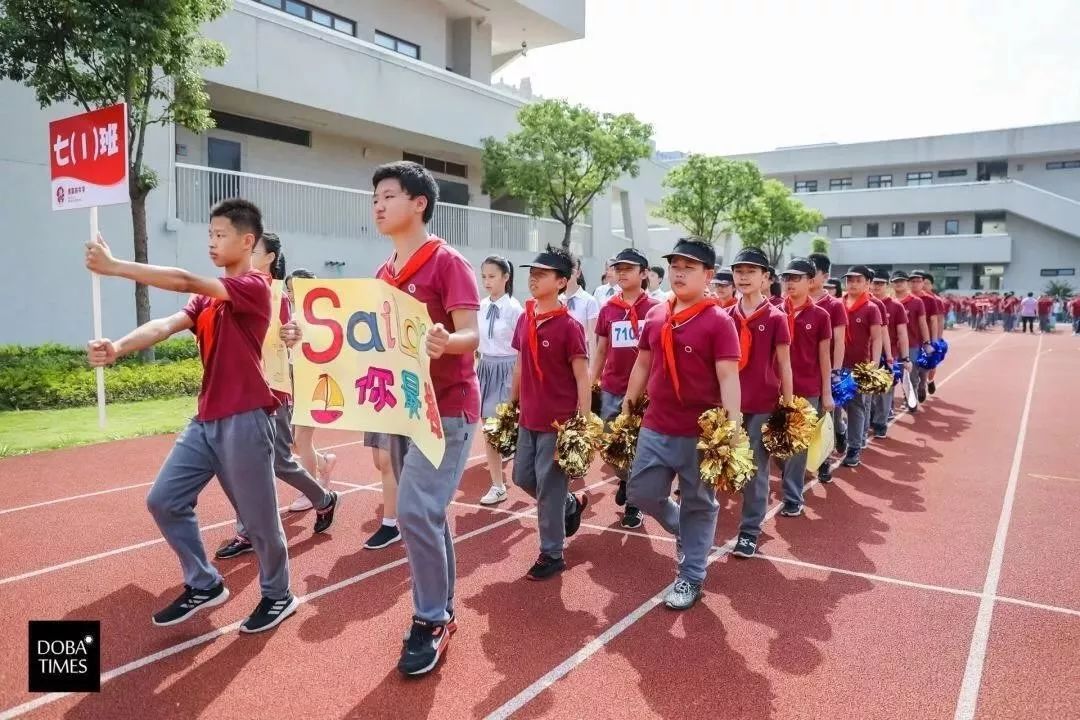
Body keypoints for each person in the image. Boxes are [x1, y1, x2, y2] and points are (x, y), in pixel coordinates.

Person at [285, 161, 481, 676]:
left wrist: (446, 340)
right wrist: (305, 339)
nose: (377, 204)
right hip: (401, 404)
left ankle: (431, 618)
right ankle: (443, 610)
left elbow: (470, 335)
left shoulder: (448, 263)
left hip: (448, 408)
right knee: (425, 514)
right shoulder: (383, 273)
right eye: (374, 197)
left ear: (419, 203)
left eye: (388, 196)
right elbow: (362, 342)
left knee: (415, 511)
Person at [85, 198, 305, 633]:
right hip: (206, 419)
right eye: (209, 234)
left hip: (246, 417)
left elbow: (184, 278)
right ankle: (203, 582)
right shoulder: (206, 301)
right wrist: (118, 348)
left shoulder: (256, 287)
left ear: (247, 241)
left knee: (259, 519)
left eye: (220, 235)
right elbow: (165, 325)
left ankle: (279, 595)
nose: (212, 242)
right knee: (163, 500)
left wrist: (115, 267)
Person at [624, 237, 742, 610]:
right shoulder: (657, 314)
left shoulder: (719, 321)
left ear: (708, 275)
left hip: (700, 432)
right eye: (675, 266)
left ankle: (690, 576)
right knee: (640, 492)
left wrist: (733, 428)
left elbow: (728, 378)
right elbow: (642, 364)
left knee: (700, 504)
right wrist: (628, 408)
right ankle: (681, 527)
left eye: (688, 267)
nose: (679, 273)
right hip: (656, 424)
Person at [214, 234, 340, 561]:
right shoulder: (231, 287)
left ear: (269, 257)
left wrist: (291, 336)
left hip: (272, 392)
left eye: (253, 250)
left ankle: (322, 499)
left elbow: (291, 339)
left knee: (281, 461)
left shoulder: (277, 295)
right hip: (237, 394)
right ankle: (246, 531)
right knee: (237, 465)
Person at [509, 245, 591, 581]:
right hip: (528, 416)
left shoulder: (570, 327)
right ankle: (569, 506)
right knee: (522, 478)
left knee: (549, 487)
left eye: (541, 274)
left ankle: (552, 553)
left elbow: (581, 376)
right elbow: (518, 365)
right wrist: (510, 404)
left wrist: (584, 423)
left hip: (559, 422)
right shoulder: (525, 317)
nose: (533, 278)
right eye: (532, 272)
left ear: (561, 281)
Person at [725, 247, 792, 556]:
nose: (744, 276)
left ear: (766, 278)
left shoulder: (777, 317)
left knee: (755, 467)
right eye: (739, 270)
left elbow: (784, 365)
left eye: (752, 271)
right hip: (727, 403)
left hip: (762, 403)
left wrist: (788, 407)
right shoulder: (725, 315)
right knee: (717, 462)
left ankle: (750, 530)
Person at [591, 248, 659, 529]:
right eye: (618, 268)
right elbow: (601, 350)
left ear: (644, 274)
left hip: (645, 393)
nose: (621, 273)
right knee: (612, 446)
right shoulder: (609, 308)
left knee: (640, 447)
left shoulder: (656, 309)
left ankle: (634, 502)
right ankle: (625, 479)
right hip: (612, 388)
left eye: (628, 269)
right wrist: (590, 383)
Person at [777, 258, 833, 517]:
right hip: (774, 389)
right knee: (774, 445)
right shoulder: (774, 310)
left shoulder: (820, 315)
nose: (789, 282)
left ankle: (792, 496)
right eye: (787, 277)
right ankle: (789, 478)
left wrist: (827, 393)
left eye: (796, 278)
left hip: (806, 389)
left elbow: (824, 356)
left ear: (810, 282)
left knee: (797, 446)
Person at [282, 268, 337, 512]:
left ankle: (311, 489)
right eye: (289, 290)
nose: (292, 295)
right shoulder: (290, 314)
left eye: (296, 290)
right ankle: (324, 463)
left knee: (300, 438)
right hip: (294, 381)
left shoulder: (322, 317)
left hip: (314, 380)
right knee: (295, 442)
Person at [477, 256, 524, 506]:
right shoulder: (481, 306)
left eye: (492, 276)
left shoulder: (515, 309)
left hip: (509, 369)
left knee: (508, 428)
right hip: (485, 367)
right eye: (484, 276)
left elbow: (523, 348)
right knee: (489, 431)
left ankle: (528, 475)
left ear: (506, 278)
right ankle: (497, 485)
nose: (487, 281)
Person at [839, 266, 884, 467]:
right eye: (850, 280)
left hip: (859, 368)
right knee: (833, 407)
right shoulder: (837, 304)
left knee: (856, 407)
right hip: (836, 366)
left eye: (858, 280)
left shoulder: (871, 308)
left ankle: (854, 447)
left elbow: (877, 339)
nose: (853, 284)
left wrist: (873, 367)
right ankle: (840, 433)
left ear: (867, 283)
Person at [807, 254, 847, 483]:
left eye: (815, 272)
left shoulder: (833, 306)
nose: (810, 276)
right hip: (801, 369)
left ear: (825, 276)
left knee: (824, 417)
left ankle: (824, 462)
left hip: (825, 368)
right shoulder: (791, 301)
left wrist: (836, 372)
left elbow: (839, 341)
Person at [870, 273, 909, 437]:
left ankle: (880, 423)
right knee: (868, 394)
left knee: (884, 392)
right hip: (866, 355)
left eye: (881, 283)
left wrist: (905, 357)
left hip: (888, 355)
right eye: (875, 283)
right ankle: (872, 417)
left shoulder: (895, 306)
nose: (877, 286)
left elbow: (902, 333)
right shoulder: (866, 303)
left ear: (887, 285)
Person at [562, 257, 600, 356]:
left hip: (582, 354)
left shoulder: (589, 301)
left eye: (571, 270)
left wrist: (592, 368)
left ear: (578, 273)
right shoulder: (556, 299)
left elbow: (592, 337)